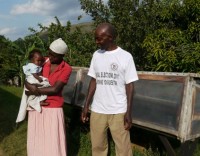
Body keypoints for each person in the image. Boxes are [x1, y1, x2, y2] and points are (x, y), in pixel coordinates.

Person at [81, 23, 138, 156]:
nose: (96, 41)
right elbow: (94, 80)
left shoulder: (125, 56)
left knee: (123, 149)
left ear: (110, 37)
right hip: (97, 110)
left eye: (99, 38)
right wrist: (86, 106)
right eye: (96, 38)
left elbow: (130, 85)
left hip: (118, 111)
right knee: (98, 147)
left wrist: (128, 112)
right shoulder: (96, 55)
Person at [25, 38, 72, 156]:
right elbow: (28, 75)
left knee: (52, 142)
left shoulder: (66, 68)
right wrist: (29, 88)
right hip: (38, 106)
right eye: (49, 53)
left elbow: (55, 89)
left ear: (62, 55)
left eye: (54, 55)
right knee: (37, 140)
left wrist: (34, 91)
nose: (50, 57)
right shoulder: (43, 61)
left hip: (53, 108)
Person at [16, 50, 50, 123]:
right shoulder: (32, 66)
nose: (39, 62)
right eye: (38, 61)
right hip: (32, 79)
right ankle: (35, 102)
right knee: (45, 85)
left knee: (37, 92)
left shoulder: (36, 64)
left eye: (41, 61)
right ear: (31, 60)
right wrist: (39, 79)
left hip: (33, 80)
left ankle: (38, 102)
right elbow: (35, 74)